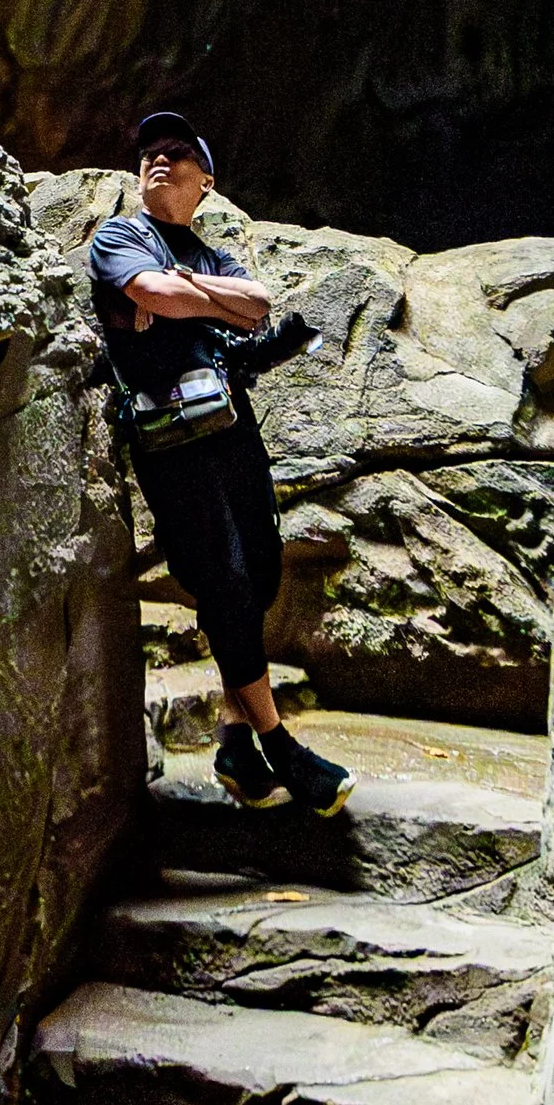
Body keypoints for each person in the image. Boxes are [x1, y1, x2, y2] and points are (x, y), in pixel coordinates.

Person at [88, 111, 353, 815]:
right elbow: (151, 292)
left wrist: (194, 293)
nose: (158, 159)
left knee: (260, 571)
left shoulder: (204, 252)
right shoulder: (119, 237)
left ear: (205, 182)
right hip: (173, 443)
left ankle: (235, 744)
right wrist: (197, 300)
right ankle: (281, 746)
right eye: (150, 151)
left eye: (177, 153)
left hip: (231, 431)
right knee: (226, 582)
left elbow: (259, 305)